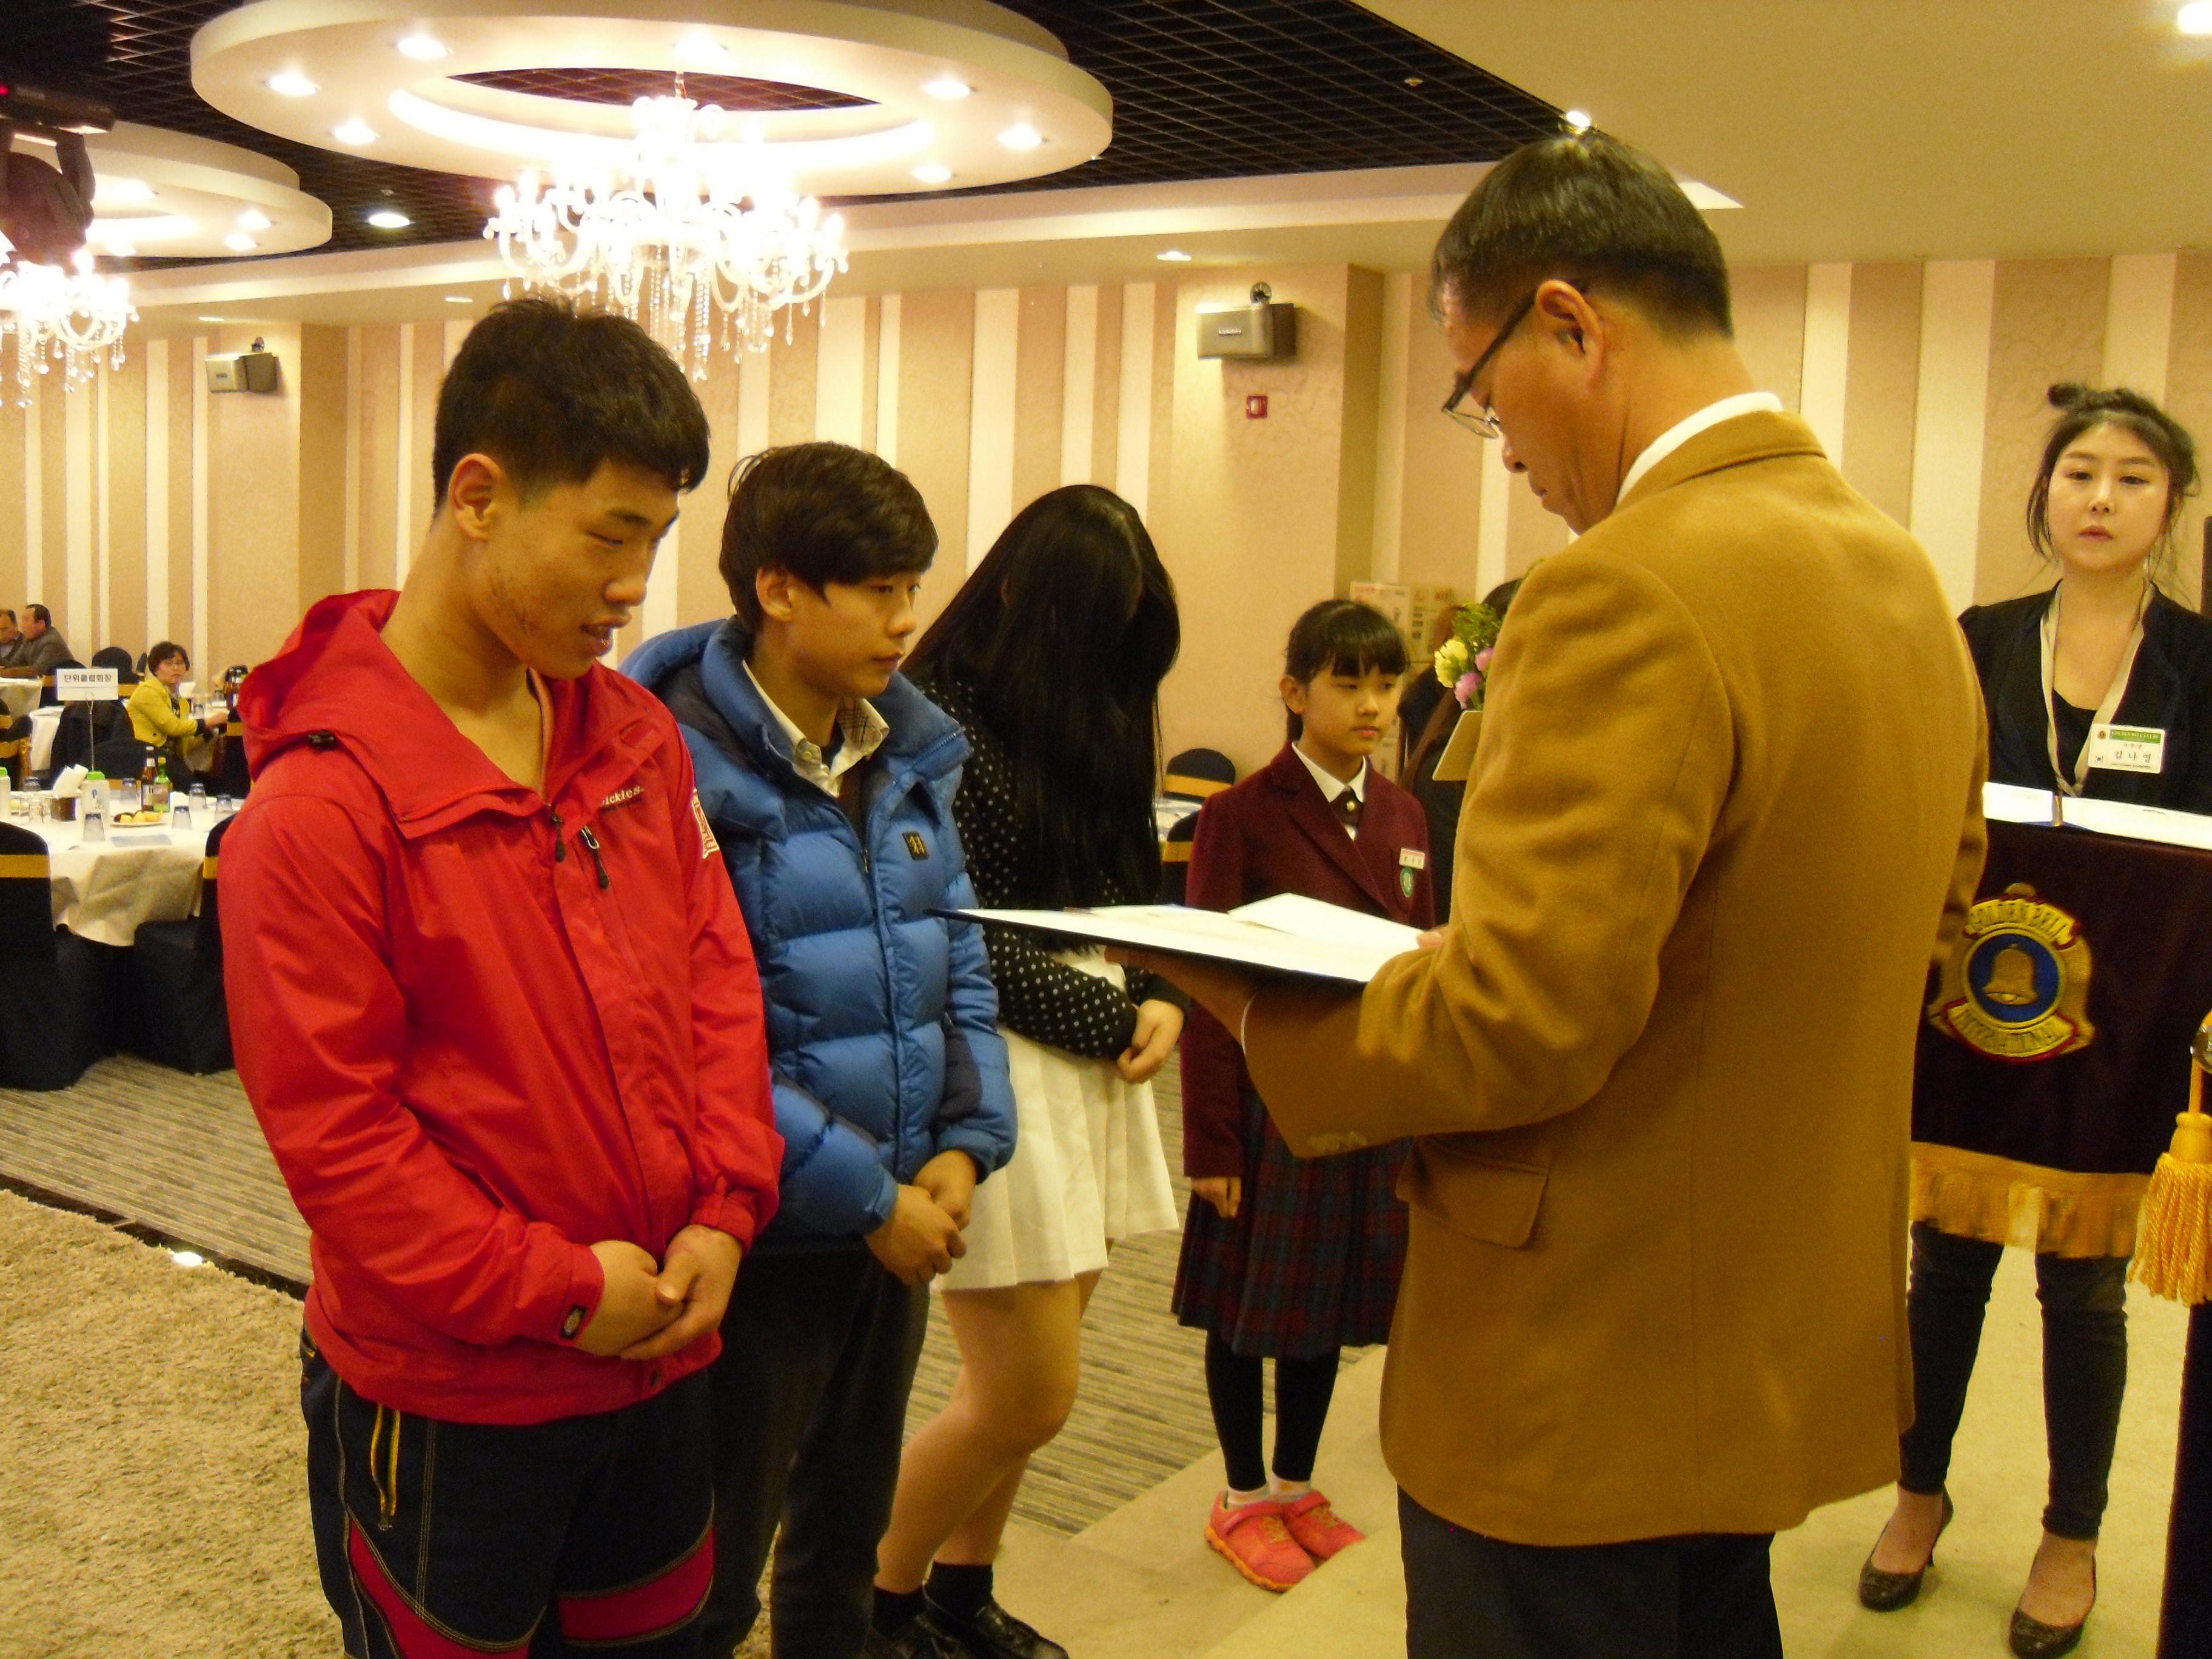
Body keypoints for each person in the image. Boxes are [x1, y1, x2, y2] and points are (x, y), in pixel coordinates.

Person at [1121, 129, 1987, 1659]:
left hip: (1584, 1350)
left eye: (1480, 390)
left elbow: (1523, 1018)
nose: (1504, 448)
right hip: (1765, 1320)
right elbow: (1930, 916)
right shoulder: (1899, 574)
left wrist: (1252, 1003)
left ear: (1571, 324)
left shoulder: (1626, 584)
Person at [221, 297, 783, 1657]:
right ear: (477, 496)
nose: (634, 586)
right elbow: (342, 1144)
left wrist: (725, 1210)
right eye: (608, 535)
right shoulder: (319, 809)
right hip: (455, 1398)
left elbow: (716, 983)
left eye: (654, 541)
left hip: (662, 1352)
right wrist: (561, 1291)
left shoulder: (632, 737)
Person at [623, 440, 1017, 1659]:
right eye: (880, 590)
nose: (907, 621)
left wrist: (965, 1144)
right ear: (781, 589)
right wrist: (869, 1199)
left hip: (896, 1223)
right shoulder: (665, 764)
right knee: (712, 1570)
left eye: (913, 588)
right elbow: (688, 1035)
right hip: (756, 1234)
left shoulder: (905, 750)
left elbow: (958, 963)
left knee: (844, 1548)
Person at [1860, 383, 2207, 1657]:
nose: (2100, 498)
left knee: (2084, 1288)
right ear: (2043, 495)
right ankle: (1918, 1492)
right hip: (1971, 991)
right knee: (1943, 1264)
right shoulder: (1980, 637)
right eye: (2078, 474)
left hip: (2122, 1021)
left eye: (2131, 478)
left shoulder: (2201, 664)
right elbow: (1917, 796)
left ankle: (2072, 1534)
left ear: (2172, 505)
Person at [879, 483, 1187, 1659]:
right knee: (1025, 1393)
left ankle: (961, 1596)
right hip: (992, 1059)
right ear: (1020, 598)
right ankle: (874, 1604)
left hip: (1083, 1057)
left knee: (1028, 1398)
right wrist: (1109, 1012)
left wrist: (1157, 991)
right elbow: (947, 931)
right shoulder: (939, 723)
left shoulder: (1090, 709)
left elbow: (1125, 891)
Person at [1174, 597, 1432, 1593]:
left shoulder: (1405, 814)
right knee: (1247, 1309)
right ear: (1294, 691)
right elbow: (1207, 983)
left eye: (1386, 685)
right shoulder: (1241, 813)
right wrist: (1211, 1141)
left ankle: (1295, 1483)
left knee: (1323, 1306)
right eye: (1347, 683)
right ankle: (1240, 1496)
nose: (1371, 705)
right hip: (1264, 1103)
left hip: (1360, 1099)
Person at [128, 640, 228, 769]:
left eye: (179, 663)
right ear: (155, 669)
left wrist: (208, 732)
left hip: (171, 759)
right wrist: (210, 721)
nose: (175, 668)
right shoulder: (147, 692)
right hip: (149, 758)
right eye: (168, 664)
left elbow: (184, 744)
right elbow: (174, 728)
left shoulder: (181, 702)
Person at [2, 605, 73, 676]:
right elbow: (14, 665)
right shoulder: (29, 639)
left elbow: (37, 671)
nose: (22, 626)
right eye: (23, 621)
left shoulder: (52, 642)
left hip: (60, 682)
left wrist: (7, 672)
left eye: (26, 620)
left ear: (41, 624)